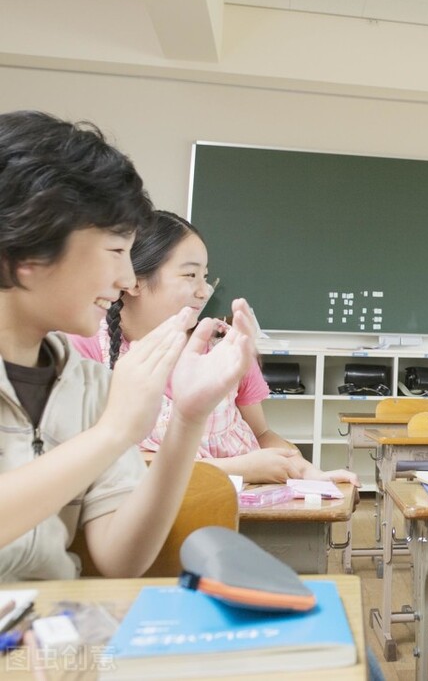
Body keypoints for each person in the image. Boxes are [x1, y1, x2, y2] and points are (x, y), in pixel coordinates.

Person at [0, 110, 257, 581]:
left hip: (50, 639)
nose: (124, 279)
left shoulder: (92, 386)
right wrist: (113, 432)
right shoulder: (109, 406)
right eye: (115, 251)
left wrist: (188, 417)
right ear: (27, 250)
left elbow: (122, 560)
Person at [70, 210, 358, 487]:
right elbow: (99, 461)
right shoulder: (90, 348)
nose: (203, 290)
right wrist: (236, 470)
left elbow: (262, 433)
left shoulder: (225, 347)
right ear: (133, 281)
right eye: (189, 275)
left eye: (204, 276)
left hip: (245, 507)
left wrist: (307, 470)